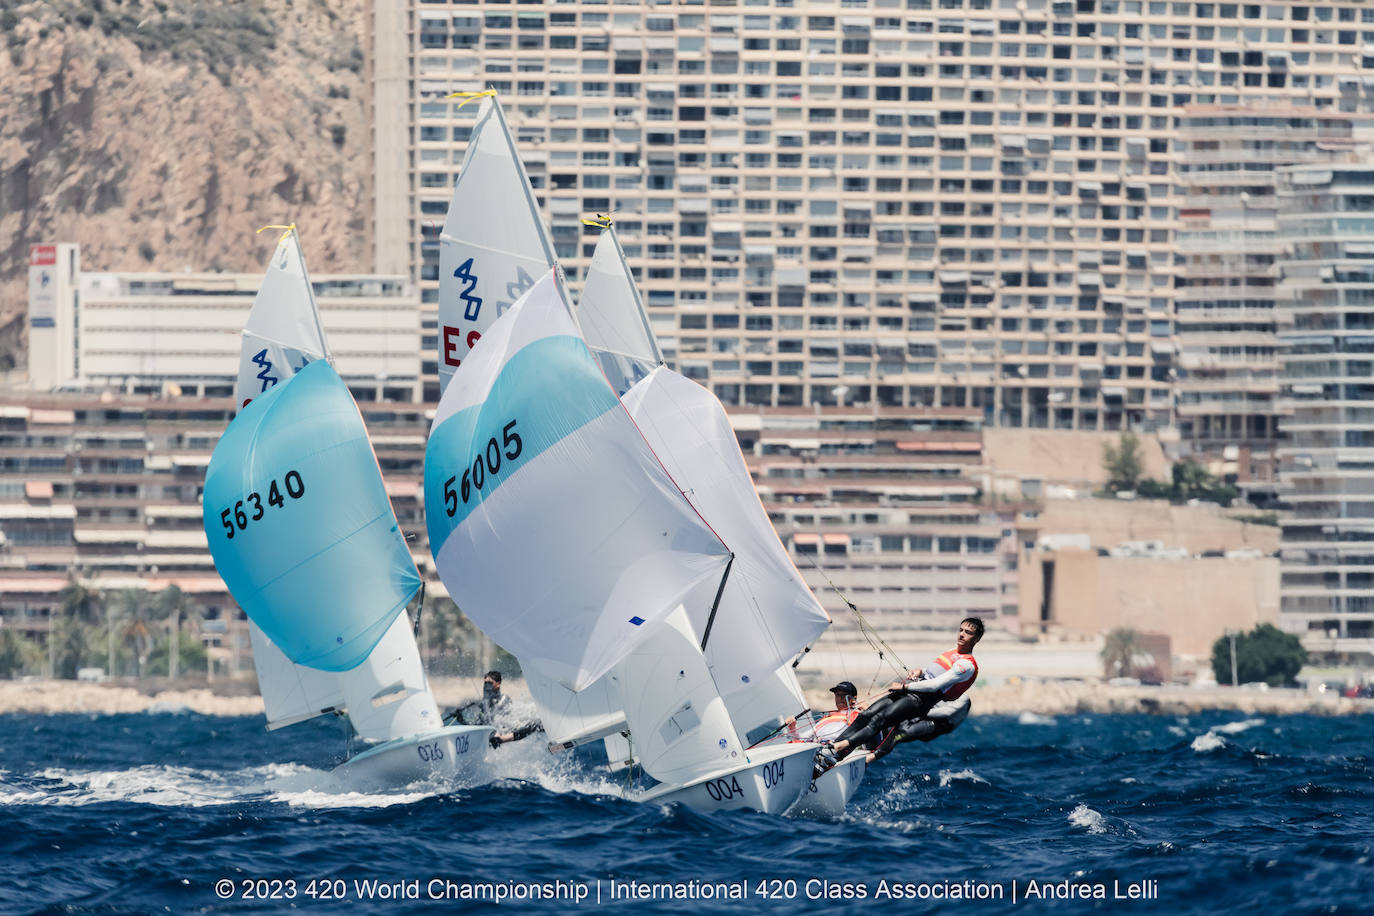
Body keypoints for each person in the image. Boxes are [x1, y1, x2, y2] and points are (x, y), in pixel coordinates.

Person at [817, 616, 983, 772]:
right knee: (866, 714)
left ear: (976, 639)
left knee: (880, 720)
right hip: (913, 688)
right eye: (961, 630)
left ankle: (838, 749)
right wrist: (919, 671)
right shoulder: (953, 650)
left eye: (967, 632)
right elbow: (933, 672)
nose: (961, 634)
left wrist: (904, 689)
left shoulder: (966, 665)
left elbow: (936, 684)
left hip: (921, 699)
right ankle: (834, 747)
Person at [863, 694, 971, 764]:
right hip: (925, 716)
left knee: (900, 734)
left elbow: (947, 712)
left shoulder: (963, 698)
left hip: (938, 725)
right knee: (890, 722)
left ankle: (869, 759)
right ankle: (866, 744)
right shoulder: (943, 684)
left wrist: (921, 711)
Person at [785, 681, 861, 743]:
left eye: (844, 695)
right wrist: (792, 727)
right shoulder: (827, 718)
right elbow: (800, 738)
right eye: (837, 695)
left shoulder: (858, 715)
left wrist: (866, 709)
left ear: (853, 699)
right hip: (819, 750)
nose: (840, 698)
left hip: (837, 751)